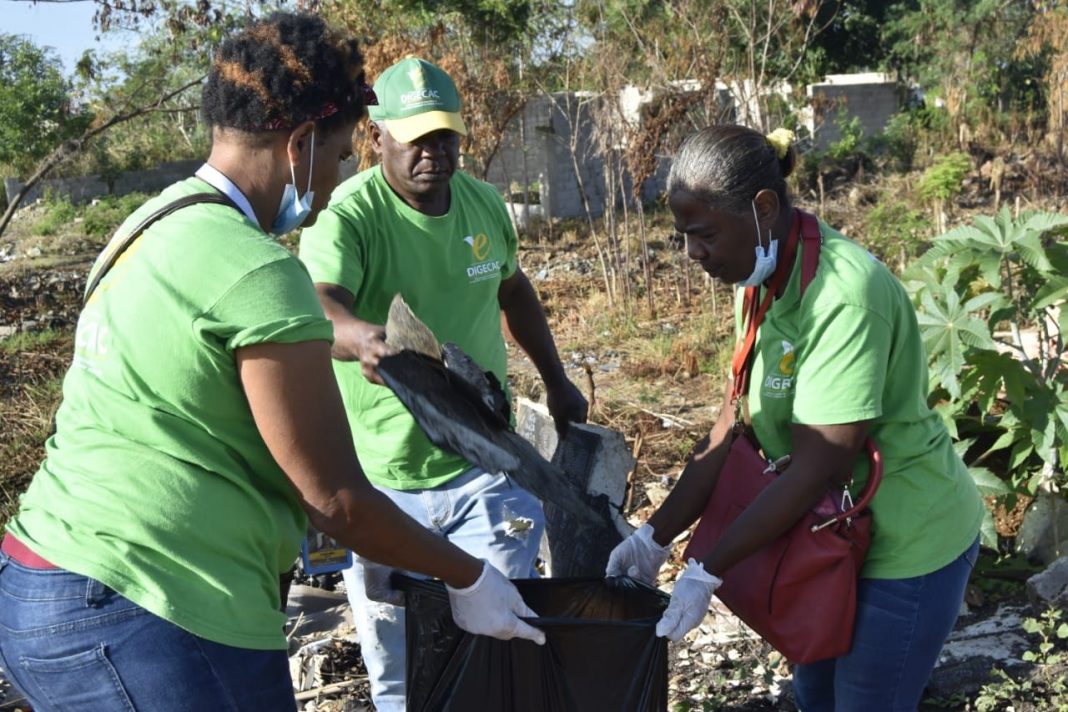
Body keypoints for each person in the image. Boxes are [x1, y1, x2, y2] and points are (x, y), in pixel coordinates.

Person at [0, 16, 545, 712]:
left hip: (36, 587)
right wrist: (470, 579)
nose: (334, 180)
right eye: (340, 155)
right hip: (152, 609)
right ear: (298, 145)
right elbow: (339, 502)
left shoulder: (145, 227)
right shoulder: (259, 272)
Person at [605, 125, 984, 711]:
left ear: (763, 208)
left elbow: (814, 468)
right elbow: (732, 426)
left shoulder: (843, 296)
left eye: (703, 234)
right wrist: (654, 536)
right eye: (683, 235)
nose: (692, 254)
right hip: (825, 534)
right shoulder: (760, 278)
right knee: (815, 695)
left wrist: (707, 570)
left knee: (865, 702)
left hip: (905, 540)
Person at [298, 56, 588, 711]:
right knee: (397, 664)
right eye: (417, 138)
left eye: (446, 137)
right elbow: (318, 303)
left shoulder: (483, 204)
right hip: (384, 484)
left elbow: (514, 290)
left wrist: (558, 381)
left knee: (505, 641)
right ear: (379, 138)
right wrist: (362, 338)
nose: (434, 152)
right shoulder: (351, 216)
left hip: (488, 467)